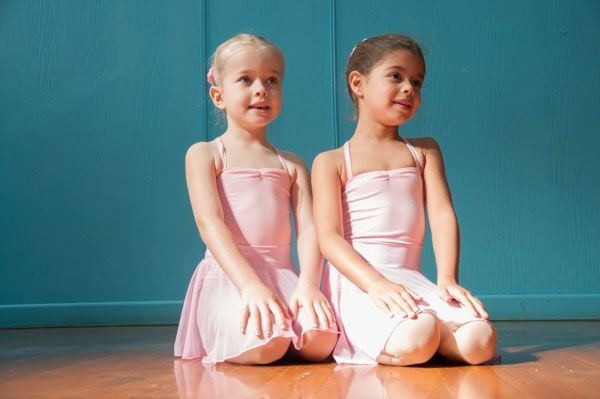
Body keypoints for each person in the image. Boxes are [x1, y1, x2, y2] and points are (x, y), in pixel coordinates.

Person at [312, 33, 497, 365]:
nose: (409, 88)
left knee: (480, 341)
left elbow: (442, 215)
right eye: (396, 76)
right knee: (417, 337)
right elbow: (328, 237)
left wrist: (447, 279)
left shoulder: (424, 151)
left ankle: (430, 334)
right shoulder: (332, 161)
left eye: (417, 81)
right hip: (360, 281)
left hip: (408, 277)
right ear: (359, 83)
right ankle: (411, 338)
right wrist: (375, 284)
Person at [175, 34, 337, 365]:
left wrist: (308, 284)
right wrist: (249, 285)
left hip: (283, 273)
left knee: (321, 342)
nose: (261, 89)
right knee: (270, 343)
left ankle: (287, 317)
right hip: (231, 276)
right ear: (218, 96)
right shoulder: (205, 154)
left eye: (271, 80)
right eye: (246, 80)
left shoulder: (291, 164)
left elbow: (309, 229)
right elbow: (210, 222)